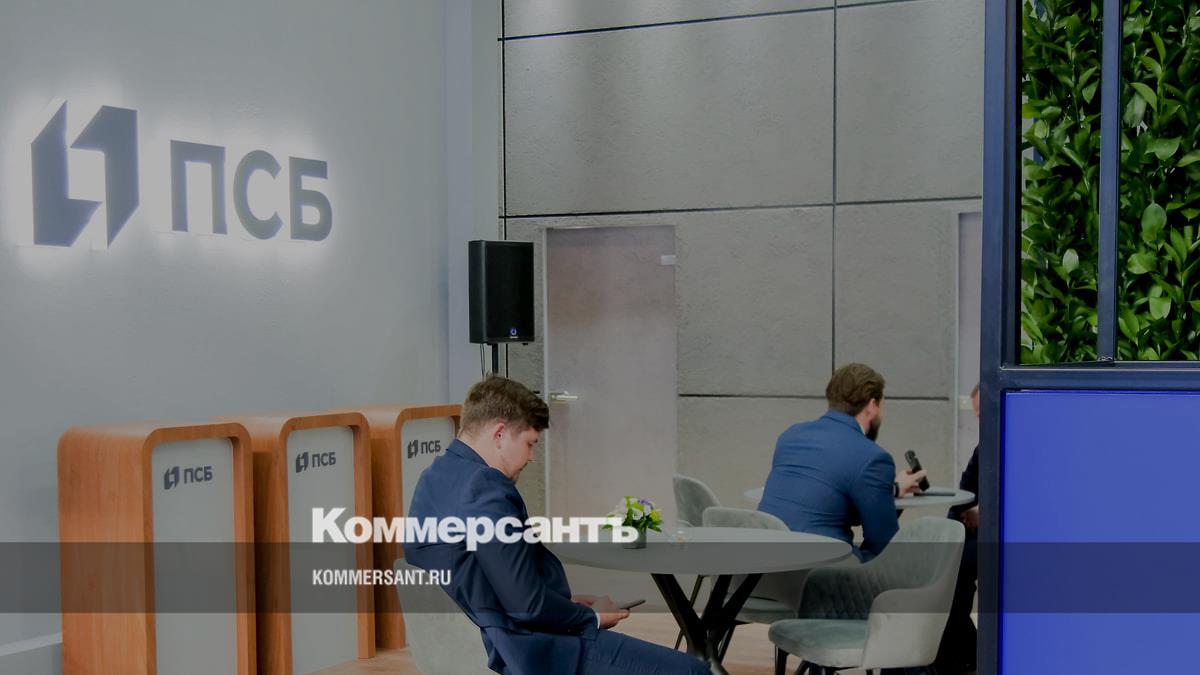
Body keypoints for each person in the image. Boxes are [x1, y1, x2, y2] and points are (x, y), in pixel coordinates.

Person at [404, 375, 710, 675]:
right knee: (692, 671)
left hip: (489, 641)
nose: (531, 457)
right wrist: (589, 617)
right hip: (530, 650)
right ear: (500, 434)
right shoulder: (484, 487)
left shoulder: (435, 476)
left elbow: (491, 580)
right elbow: (526, 605)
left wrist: (564, 605)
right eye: (530, 443)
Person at [757, 363, 926, 561]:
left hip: (764, 563)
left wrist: (893, 489)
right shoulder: (873, 458)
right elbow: (883, 546)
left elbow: (828, 497)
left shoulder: (791, 436)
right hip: (819, 569)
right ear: (872, 406)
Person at [935, 384, 981, 675]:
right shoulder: (985, 447)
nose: (981, 421)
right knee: (945, 559)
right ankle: (962, 651)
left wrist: (985, 515)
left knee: (959, 569)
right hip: (979, 531)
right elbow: (964, 493)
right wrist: (953, 526)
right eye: (977, 415)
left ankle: (957, 653)